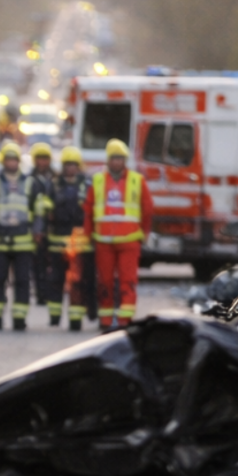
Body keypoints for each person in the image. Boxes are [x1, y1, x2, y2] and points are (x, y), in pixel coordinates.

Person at [84, 138, 153, 332]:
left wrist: (145, 233)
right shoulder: (97, 180)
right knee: (104, 281)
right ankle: (105, 320)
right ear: (108, 160)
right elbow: (88, 210)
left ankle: (125, 320)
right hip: (103, 240)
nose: (116, 162)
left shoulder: (137, 180)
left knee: (127, 280)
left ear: (125, 160)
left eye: (120, 158)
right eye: (113, 158)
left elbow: (147, 209)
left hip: (129, 240)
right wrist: (88, 234)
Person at [35, 146, 92, 331]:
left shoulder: (87, 185)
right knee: (55, 280)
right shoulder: (53, 185)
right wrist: (41, 231)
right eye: (67, 165)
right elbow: (44, 211)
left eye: (73, 165)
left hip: (80, 243)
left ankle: (76, 319)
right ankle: (55, 316)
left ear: (79, 166)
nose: (70, 168)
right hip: (56, 241)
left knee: (77, 282)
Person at [0, 143, 35, 331]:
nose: (11, 163)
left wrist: (36, 230)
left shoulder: (29, 182)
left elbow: (36, 209)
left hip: (23, 241)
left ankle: (19, 318)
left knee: (22, 281)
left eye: (14, 160)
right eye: (8, 160)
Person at [27, 142, 54, 306]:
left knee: (53, 264)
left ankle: (52, 292)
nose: (42, 162)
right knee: (37, 264)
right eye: (39, 159)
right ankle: (41, 294)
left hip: (54, 228)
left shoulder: (56, 178)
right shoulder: (28, 180)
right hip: (36, 229)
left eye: (45, 159)